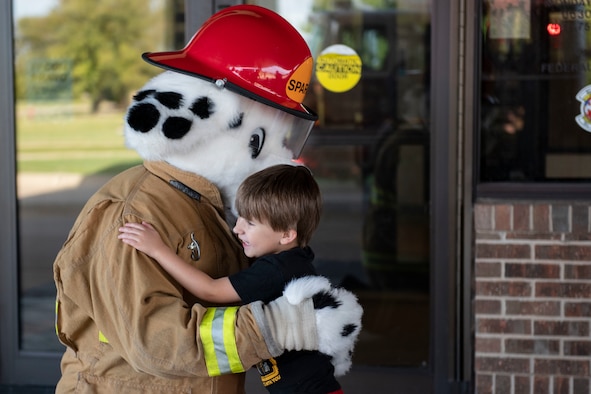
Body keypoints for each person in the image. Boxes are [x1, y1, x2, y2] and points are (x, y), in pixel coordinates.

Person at [118, 164, 344, 394]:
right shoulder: (294, 261)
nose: (238, 229)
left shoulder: (274, 270)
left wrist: (158, 250)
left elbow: (211, 291)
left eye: (251, 223)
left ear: (286, 234)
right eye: (240, 218)